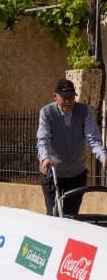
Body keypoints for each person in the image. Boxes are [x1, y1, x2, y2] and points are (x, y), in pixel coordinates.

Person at [37, 77, 107, 215]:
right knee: (54, 215)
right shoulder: (47, 113)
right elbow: (43, 138)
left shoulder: (85, 111)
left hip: (76, 174)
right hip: (53, 174)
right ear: (55, 96)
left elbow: (92, 138)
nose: (68, 101)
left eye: (71, 97)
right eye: (64, 97)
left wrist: (103, 157)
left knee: (72, 217)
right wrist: (45, 158)